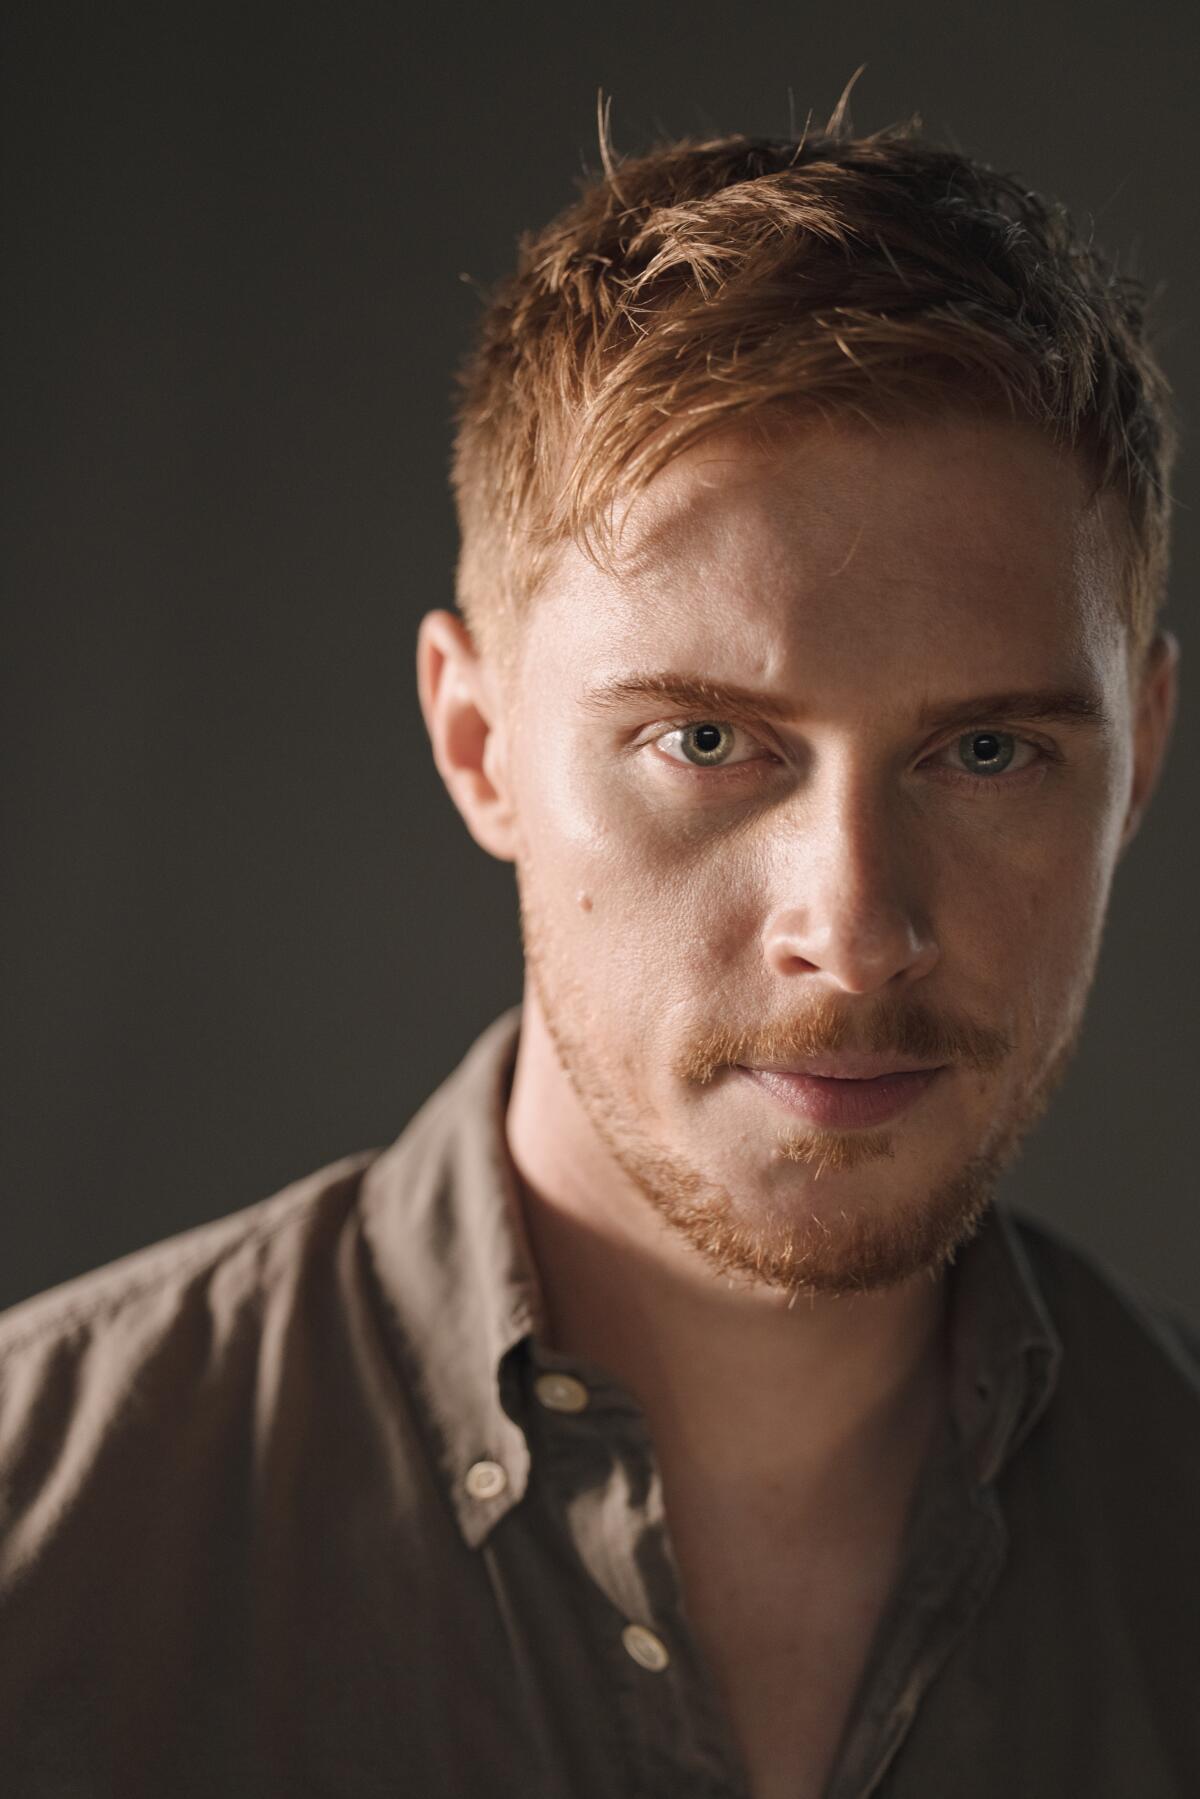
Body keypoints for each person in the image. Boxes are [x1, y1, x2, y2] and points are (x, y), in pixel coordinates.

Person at [1, 102, 1196, 1799]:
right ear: (478, 742)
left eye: (988, 753)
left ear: (1138, 760)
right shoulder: (38, 1555)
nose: (853, 934)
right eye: (706, 743)